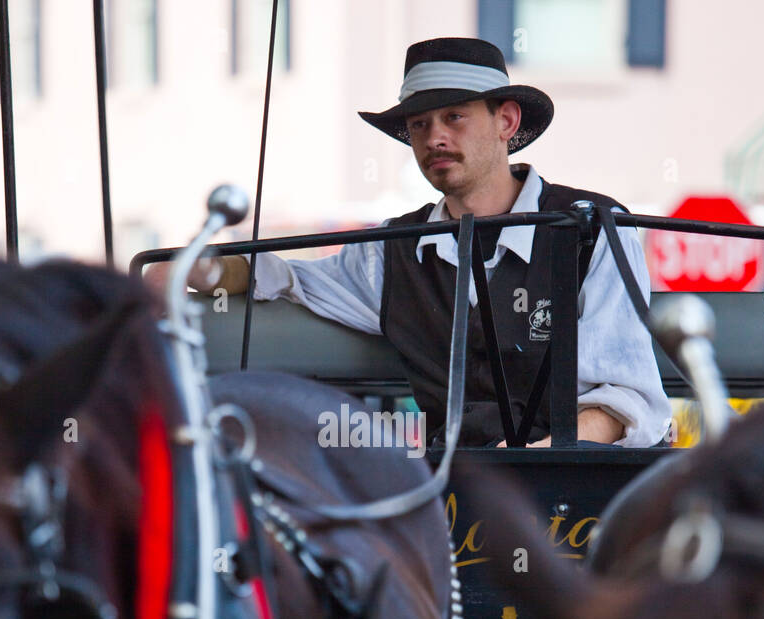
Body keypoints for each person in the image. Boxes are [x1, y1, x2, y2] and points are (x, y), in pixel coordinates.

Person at [160, 37, 670, 448]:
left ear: (506, 122)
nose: (434, 139)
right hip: (452, 497)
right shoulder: (395, 250)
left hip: (582, 493)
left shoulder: (590, 229)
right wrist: (203, 269)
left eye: (454, 117)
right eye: (419, 124)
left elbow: (628, 398)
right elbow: (290, 279)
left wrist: (543, 462)